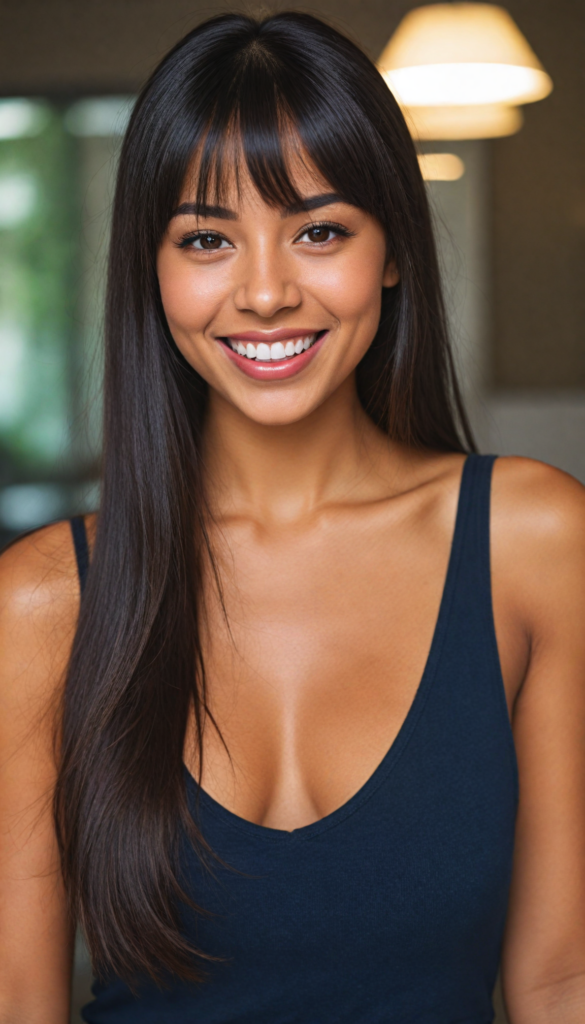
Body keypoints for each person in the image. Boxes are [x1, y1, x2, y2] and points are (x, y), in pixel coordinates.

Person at [1, 11, 584, 1024]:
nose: (265, 291)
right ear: (154, 268)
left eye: (319, 230)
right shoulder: (42, 604)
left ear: (393, 250)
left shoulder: (532, 545)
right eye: (207, 239)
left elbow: (562, 981)